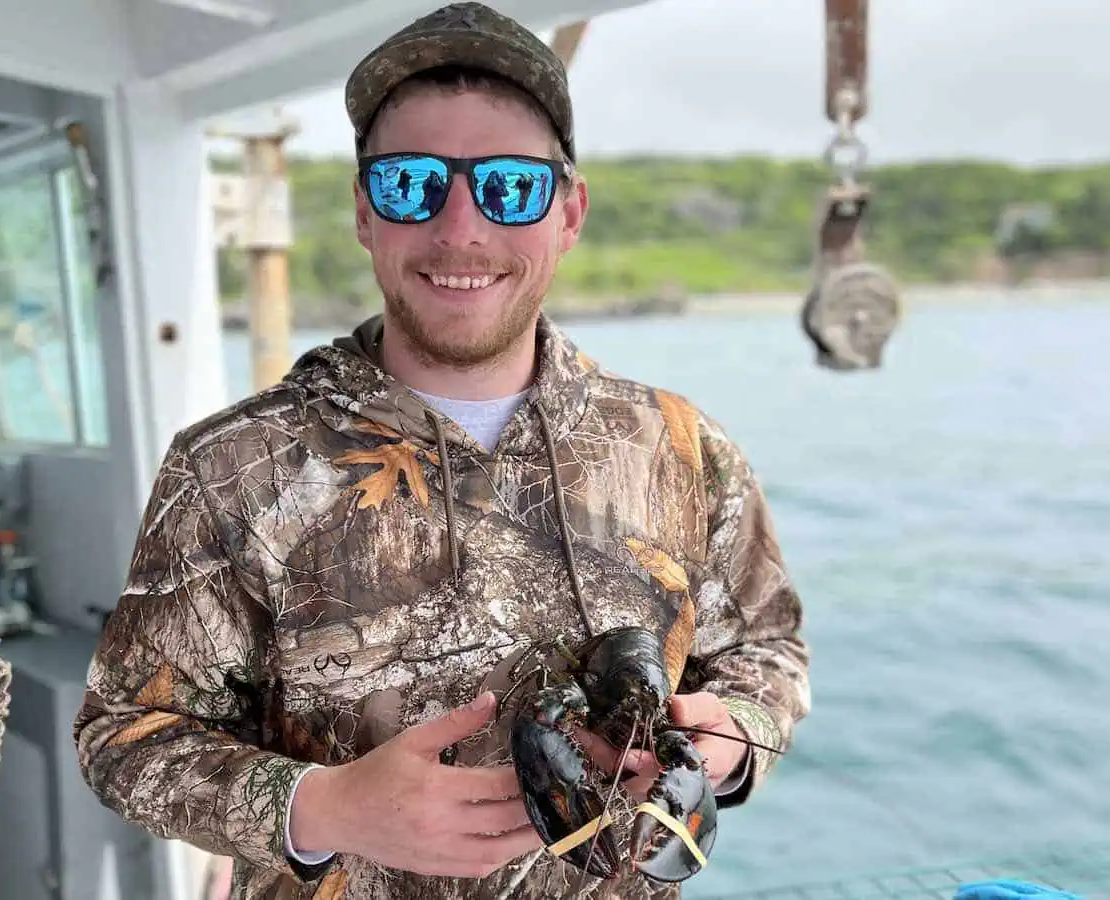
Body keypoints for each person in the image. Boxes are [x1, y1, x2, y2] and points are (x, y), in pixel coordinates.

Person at [72, 3, 810, 899]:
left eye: (509, 187)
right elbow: (123, 734)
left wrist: (731, 735)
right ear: (363, 212)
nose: (460, 229)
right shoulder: (230, 466)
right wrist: (323, 805)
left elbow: (767, 647)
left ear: (568, 212)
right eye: (412, 183)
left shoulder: (681, 449)